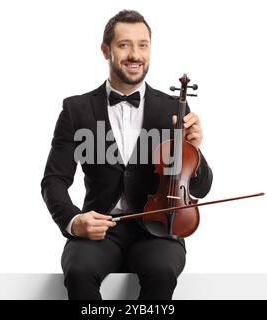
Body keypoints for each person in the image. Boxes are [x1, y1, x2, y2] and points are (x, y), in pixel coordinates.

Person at [41, 9, 213, 300]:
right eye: (124, 45)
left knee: (161, 271)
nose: (135, 54)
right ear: (105, 50)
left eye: (143, 45)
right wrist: (74, 221)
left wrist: (193, 150)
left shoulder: (174, 109)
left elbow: (200, 188)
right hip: (99, 231)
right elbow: (53, 181)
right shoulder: (76, 110)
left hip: (158, 229)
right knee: (79, 271)